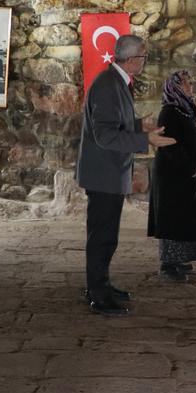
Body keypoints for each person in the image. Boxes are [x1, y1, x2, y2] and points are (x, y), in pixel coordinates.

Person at [76, 34, 175, 316]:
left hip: (108, 172)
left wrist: (139, 125)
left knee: (107, 234)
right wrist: (146, 142)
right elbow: (105, 134)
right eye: (144, 57)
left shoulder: (115, 80)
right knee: (102, 236)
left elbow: (115, 122)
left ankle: (102, 284)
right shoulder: (108, 85)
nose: (145, 62)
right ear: (132, 59)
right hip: (103, 174)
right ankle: (97, 293)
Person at [147, 69, 196, 281]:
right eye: (186, 83)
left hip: (186, 177)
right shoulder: (169, 112)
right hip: (173, 176)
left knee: (184, 217)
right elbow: (170, 145)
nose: (190, 86)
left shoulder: (184, 110)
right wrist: (190, 167)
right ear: (175, 87)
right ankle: (169, 264)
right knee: (173, 218)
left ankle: (181, 259)